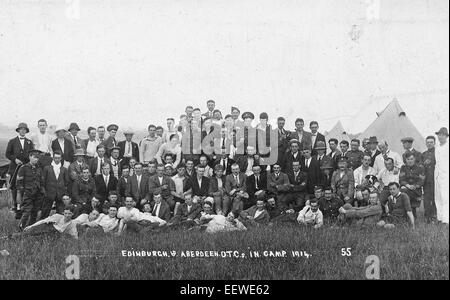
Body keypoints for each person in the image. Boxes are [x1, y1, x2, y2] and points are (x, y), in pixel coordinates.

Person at [6, 122, 35, 214]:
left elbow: (32, 154)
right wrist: (15, 160)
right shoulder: (12, 141)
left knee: (25, 186)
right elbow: (7, 154)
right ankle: (14, 206)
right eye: (21, 129)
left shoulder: (29, 142)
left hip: (25, 167)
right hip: (14, 167)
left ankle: (23, 205)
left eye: (24, 129)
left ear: (26, 131)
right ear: (18, 131)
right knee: (14, 186)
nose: (23, 131)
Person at [16, 149, 44, 230]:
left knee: (35, 212)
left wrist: (42, 191)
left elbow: (41, 181)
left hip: (37, 194)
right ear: (29, 157)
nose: (36, 159)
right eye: (34, 157)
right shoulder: (23, 168)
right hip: (28, 194)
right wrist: (23, 193)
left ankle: (30, 228)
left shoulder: (39, 168)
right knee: (26, 212)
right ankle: (20, 229)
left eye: (37, 158)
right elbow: (19, 183)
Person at [41, 150, 70, 218]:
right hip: (49, 193)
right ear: (53, 158)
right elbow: (43, 182)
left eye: (59, 158)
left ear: (61, 158)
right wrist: (45, 192)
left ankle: (58, 225)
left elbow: (66, 182)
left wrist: (64, 193)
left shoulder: (64, 169)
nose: (57, 159)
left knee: (60, 213)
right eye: (55, 158)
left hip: (60, 193)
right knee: (45, 211)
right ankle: (42, 224)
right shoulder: (47, 168)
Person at [399, 152, 425, 218]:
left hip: (416, 190)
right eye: (408, 159)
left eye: (411, 159)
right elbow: (401, 179)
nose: (410, 161)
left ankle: (409, 216)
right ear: (406, 160)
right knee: (404, 191)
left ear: (414, 159)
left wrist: (415, 186)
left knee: (404, 193)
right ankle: (407, 215)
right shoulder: (403, 167)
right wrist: (407, 185)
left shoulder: (420, 167)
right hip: (406, 188)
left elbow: (422, 180)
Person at [434, 127, 449, 224]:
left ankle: (446, 219)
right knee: (438, 197)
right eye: (439, 135)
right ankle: (439, 218)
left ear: (446, 136)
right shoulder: (437, 147)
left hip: (446, 175)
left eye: (442, 135)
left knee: (445, 198)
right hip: (437, 175)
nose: (440, 137)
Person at [422, 136, 437, 223]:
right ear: (426, 143)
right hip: (427, 180)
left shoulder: (438, 153)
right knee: (427, 198)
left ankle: (435, 216)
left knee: (435, 198)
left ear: (434, 143)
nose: (429, 144)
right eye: (428, 142)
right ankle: (427, 216)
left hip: (436, 179)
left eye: (431, 142)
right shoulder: (423, 154)